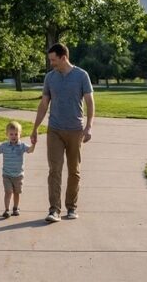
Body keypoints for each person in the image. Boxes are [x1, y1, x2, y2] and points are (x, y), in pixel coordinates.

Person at [30, 42, 94, 223]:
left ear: (63, 57)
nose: (51, 63)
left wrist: (88, 126)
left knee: (74, 171)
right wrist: (35, 128)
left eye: (53, 60)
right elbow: (43, 105)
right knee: (54, 170)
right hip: (55, 130)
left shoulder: (82, 76)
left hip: (75, 130)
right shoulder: (50, 78)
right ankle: (54, 210)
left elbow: (90, 103)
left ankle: (71, 207)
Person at [0, 121, 35, 218]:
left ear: (20, 134)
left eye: (16, 134)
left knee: (17, 192)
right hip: (7, 175)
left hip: (18, 175)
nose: (13, 136)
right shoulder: (4, 146)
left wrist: (33, 144)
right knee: (8, 191)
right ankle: (6, 209)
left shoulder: (22, 146)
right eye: (11, 134)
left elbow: (30, 150)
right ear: (7, 135)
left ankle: (15, 208)